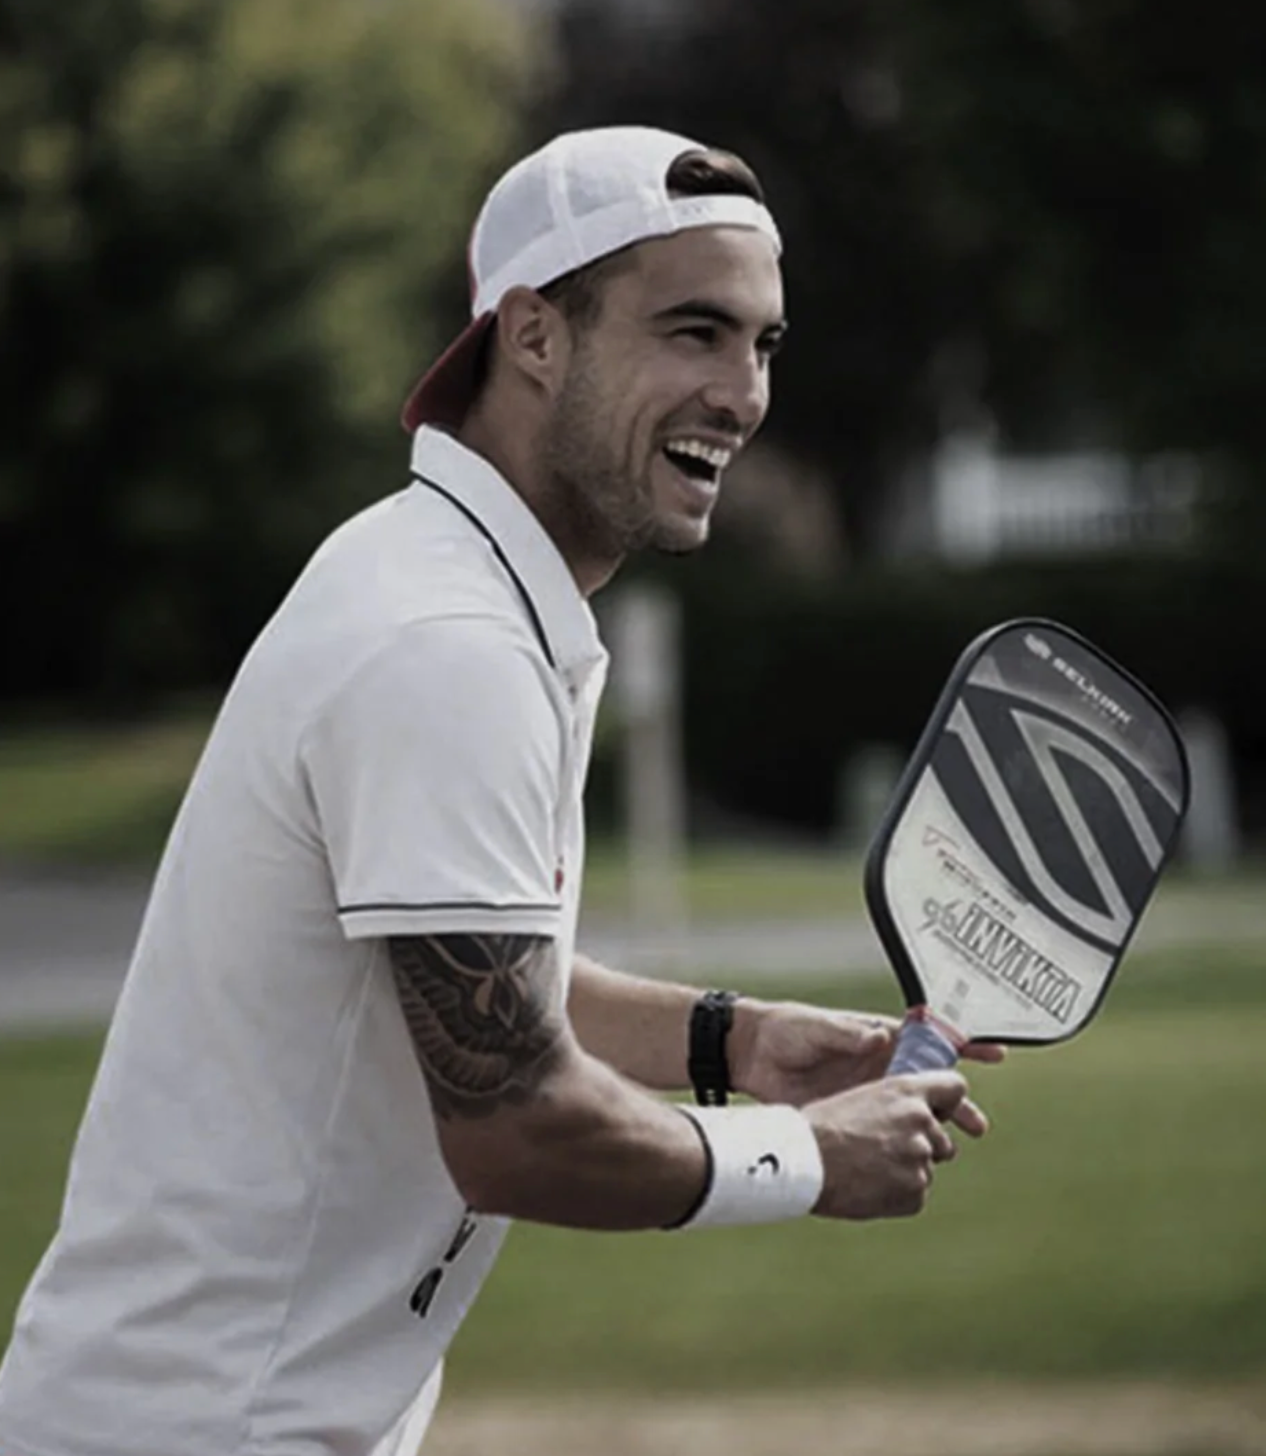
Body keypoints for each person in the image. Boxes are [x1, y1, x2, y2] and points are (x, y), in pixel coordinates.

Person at [0, 125, 1000, 1456]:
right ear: (533, 333)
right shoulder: (444, 644)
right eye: (691, 331)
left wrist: (734, 1041)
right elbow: (516, 1125)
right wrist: (809, 1159)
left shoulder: (440, 581)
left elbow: (454, 980)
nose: (741, 393)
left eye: (761, 345)